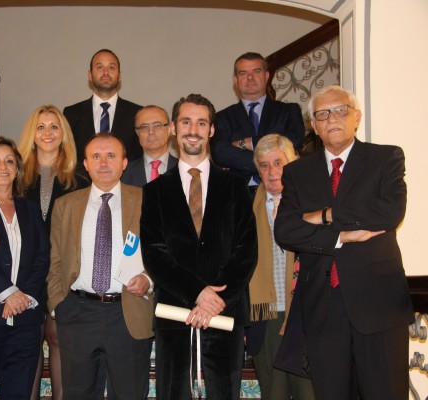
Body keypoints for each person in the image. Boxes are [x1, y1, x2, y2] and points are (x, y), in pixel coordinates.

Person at [274, 85, 414, 400]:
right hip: (323, 305)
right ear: (314, 124)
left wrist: (324, 215)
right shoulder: (297, 172)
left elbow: (389, 212)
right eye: (322, 114)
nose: (332, 119)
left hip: (378, 301)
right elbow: (286, 231)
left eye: (340, 110)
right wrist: (342, 235)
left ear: (356, 118)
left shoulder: (385, 157)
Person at [140, 94, 257, 400]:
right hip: (174, 312)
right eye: (186, 121)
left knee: (223, 393)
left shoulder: (236, 187)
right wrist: (197, 293)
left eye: (201, 122)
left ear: (212, 130)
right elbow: (154, 254)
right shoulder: (154, 191)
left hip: (224, 310)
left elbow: (246, 251)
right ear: (174, 129)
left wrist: (215, 298)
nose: (194, 129)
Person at [47, 133, 154, 399]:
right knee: (78, 394)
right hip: (77, 314)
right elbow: (56, 260)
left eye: (111, 156)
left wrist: (148, 279)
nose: (103, 163)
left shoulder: (147, 201)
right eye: (96, 156)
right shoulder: (65, 205)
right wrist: (59, 304)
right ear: (85, 163)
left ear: (124, 162)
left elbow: (162, 254)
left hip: (128, 312)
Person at [17, 104, 88, 400]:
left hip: (64, 272)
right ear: (32, 134)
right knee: (29, 341)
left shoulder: (81, 179)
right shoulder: (15, 176)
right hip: (25, 272)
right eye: (41, 126)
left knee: (59, 339)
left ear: (64, 134)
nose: (47, 133)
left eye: (54, 126)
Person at [0, 137, 50, 399]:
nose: (2, 167)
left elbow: (42, 257)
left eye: (9, 161)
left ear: (17, 168)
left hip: (26, 320)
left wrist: (23, 297)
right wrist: (8, 293)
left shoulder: (30, 208)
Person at [248, 134, 314, 399]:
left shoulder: (312, 202)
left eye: (278, 163)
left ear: (293, 164)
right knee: (273, 393)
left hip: (304, 312)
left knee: (308, 393)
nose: (272, 171)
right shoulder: (245, 206)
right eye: (264, 165)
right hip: (264, 317)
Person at [212, 52, 304, 191]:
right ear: (235, 80)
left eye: (256, 71)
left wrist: (248, 143)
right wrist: (275, 160)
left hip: (284, 192)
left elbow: (295, 140)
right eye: (243, 73)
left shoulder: (289, 111)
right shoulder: (221, 117)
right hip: (239, 195)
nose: (250, 77)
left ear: (266, 76)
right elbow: (220, 154)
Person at [64, 49, 142, 165]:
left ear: (119, 75)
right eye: (99, 67)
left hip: (126, 182)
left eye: (111, 68)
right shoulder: (71, 114)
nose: (105, 72)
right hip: (82, 183)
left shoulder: (137, 114)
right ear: (90, 75)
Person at [122, 105, 178, 187]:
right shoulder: (124, 173)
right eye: (144, 127)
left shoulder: (184, 169)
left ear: (168, 130)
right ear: (137, 133)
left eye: (157, 125)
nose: (151, 132)